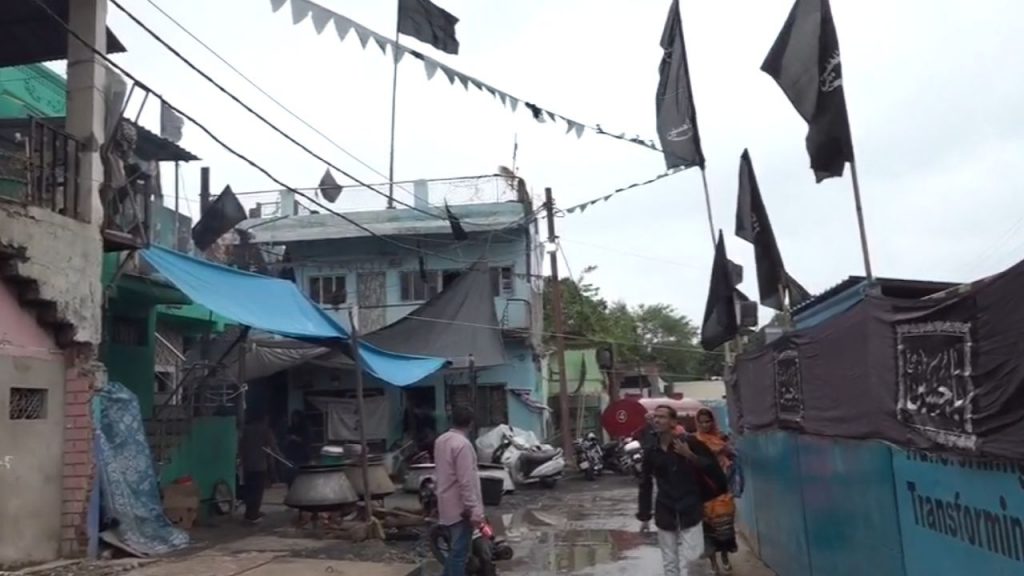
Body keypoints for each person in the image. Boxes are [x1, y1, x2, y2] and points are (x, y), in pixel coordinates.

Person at [638, 405, 727, 576]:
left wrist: (690, 456)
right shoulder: (652, 450)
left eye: (662, 417)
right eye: (655, 416)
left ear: (673, 421)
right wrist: (644, 515)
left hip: (690, 508)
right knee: (670, 562)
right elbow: (645, 482)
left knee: (692, 561)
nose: (657, 420)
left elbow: (715, 471)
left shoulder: (690, 443)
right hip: (665, 508)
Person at [433, 404, 485, 576]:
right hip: (460, 508)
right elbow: (465, 481)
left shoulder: (441, 440)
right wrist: (474, 509)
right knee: (459, 554)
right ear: (471, 424)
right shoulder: (462, 445)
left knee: (454, 552)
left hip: (445, 504)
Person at [696, 408, 738, 574]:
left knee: (725, 527)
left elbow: (733, 455)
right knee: (708, 529)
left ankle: (725, 556)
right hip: (704, 489)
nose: (706, 425)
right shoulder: (695, 441)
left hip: (722, 489)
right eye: (702, 422)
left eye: (708, 421)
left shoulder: (721, 438)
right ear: (697, 423)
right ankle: (714, 563)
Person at [239, 412, 279, 523]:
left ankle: (249, 512)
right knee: (257, 491)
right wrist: (282, 458)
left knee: (249, 490)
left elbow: (241, 446)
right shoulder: (265, 431)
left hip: (247, 466)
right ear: (264, 419)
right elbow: (274, 447)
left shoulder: (246, 430)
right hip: (260, 466)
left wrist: (241, 460)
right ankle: (253, 515)